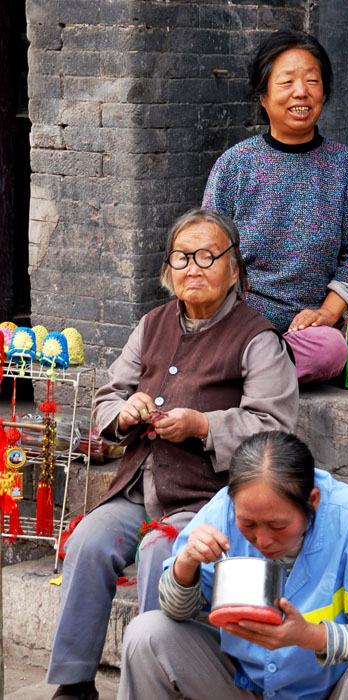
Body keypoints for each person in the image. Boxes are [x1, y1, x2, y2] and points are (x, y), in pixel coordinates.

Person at [46, 210, 298, 700]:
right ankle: (74, 686)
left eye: (207, 256)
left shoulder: (258, 338)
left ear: (234, 268)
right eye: (182, 257)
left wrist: (204, 425)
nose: (193, 268)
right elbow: (106, 399)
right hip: (138, 488)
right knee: (87, 542)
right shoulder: (152, 324)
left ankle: (162, 682)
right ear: (167, 268)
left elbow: (275, 428)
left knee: (161, 551)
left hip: (206, 498)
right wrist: (125, 412)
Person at [118, 431, 348, 700]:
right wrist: (186, 565)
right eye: (247, 523)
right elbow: (177, 611)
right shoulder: (223, 510)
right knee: (147, 633)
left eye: (278, 525)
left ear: (312, 501)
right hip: (245, 684)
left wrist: (309, 636)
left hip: (334, 689)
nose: (262, 540)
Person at [203, 30, 348, 383]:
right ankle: (254, 367)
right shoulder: (235, 165)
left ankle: (237, 372)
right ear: (263, 97)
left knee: (332, 351)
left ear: (323, 92)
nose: (301, 92)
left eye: (312, 80)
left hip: (307, 327)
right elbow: (208, 247)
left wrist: (327, 314)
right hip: (241, 318)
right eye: (287, 82)